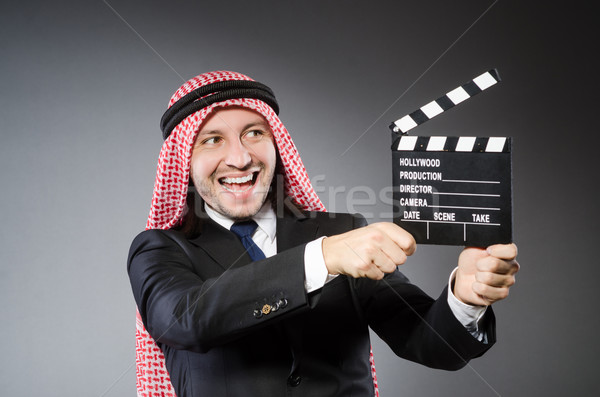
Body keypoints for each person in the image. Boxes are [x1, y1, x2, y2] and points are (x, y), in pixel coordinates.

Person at [127, 71, 519, 397]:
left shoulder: (342, 232)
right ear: (183, 161)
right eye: (213, 140)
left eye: (254, 133)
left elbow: (428, 342)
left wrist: (465, 298)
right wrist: (322, 258)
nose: (241, 157)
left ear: (276, 142)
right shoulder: (160, 250)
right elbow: (184, 321)